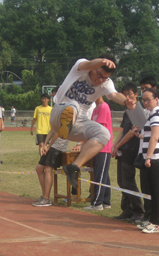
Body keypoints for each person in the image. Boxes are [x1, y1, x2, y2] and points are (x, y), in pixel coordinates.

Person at [53, 54, 134, 189]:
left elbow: (114, 94)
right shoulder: (81, 67)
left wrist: (126, 101)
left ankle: (73, 167)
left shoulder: (106, 83)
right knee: (73, 106)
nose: (99, 79)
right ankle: (65, 125)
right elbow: (89, 64)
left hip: (76, 125)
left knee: (104, 134)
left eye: (104, 77)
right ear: (95, 67)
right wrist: (102, 61)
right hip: (59, 112)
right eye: (99, 74)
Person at [136, 88, 159, 234]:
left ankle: (156, 222)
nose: (146, 102)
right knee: (151, 191)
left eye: (149, 99)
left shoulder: (158, 113)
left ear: (156, 99)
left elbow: (155, 137)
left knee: (156, 191)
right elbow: (149, 136)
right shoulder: (149, 114)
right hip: (150, 157)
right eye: (144, 100)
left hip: (156, 157)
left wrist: (148, 157)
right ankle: (151, 220)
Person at [111, 82, 144, 222]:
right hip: (123, 149)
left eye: (130, 94)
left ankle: (138, 211)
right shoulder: (127, 111)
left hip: (131, 149)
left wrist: (118, 145)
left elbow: (132, 133)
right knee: (121, 180)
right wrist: (114, 145)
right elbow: (123, 130)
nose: (127, 97)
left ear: (136, 94)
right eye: (124, 94)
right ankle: (127, 209)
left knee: (128, 181)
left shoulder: (137, 110)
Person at [84, 96, 113, 210]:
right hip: (96, 147)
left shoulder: (104, 107)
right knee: (103, 174)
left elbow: (99, 128)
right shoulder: (96, 109)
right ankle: (106, 201)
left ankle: (97, 203)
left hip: (103, 147)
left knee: (99, 175)